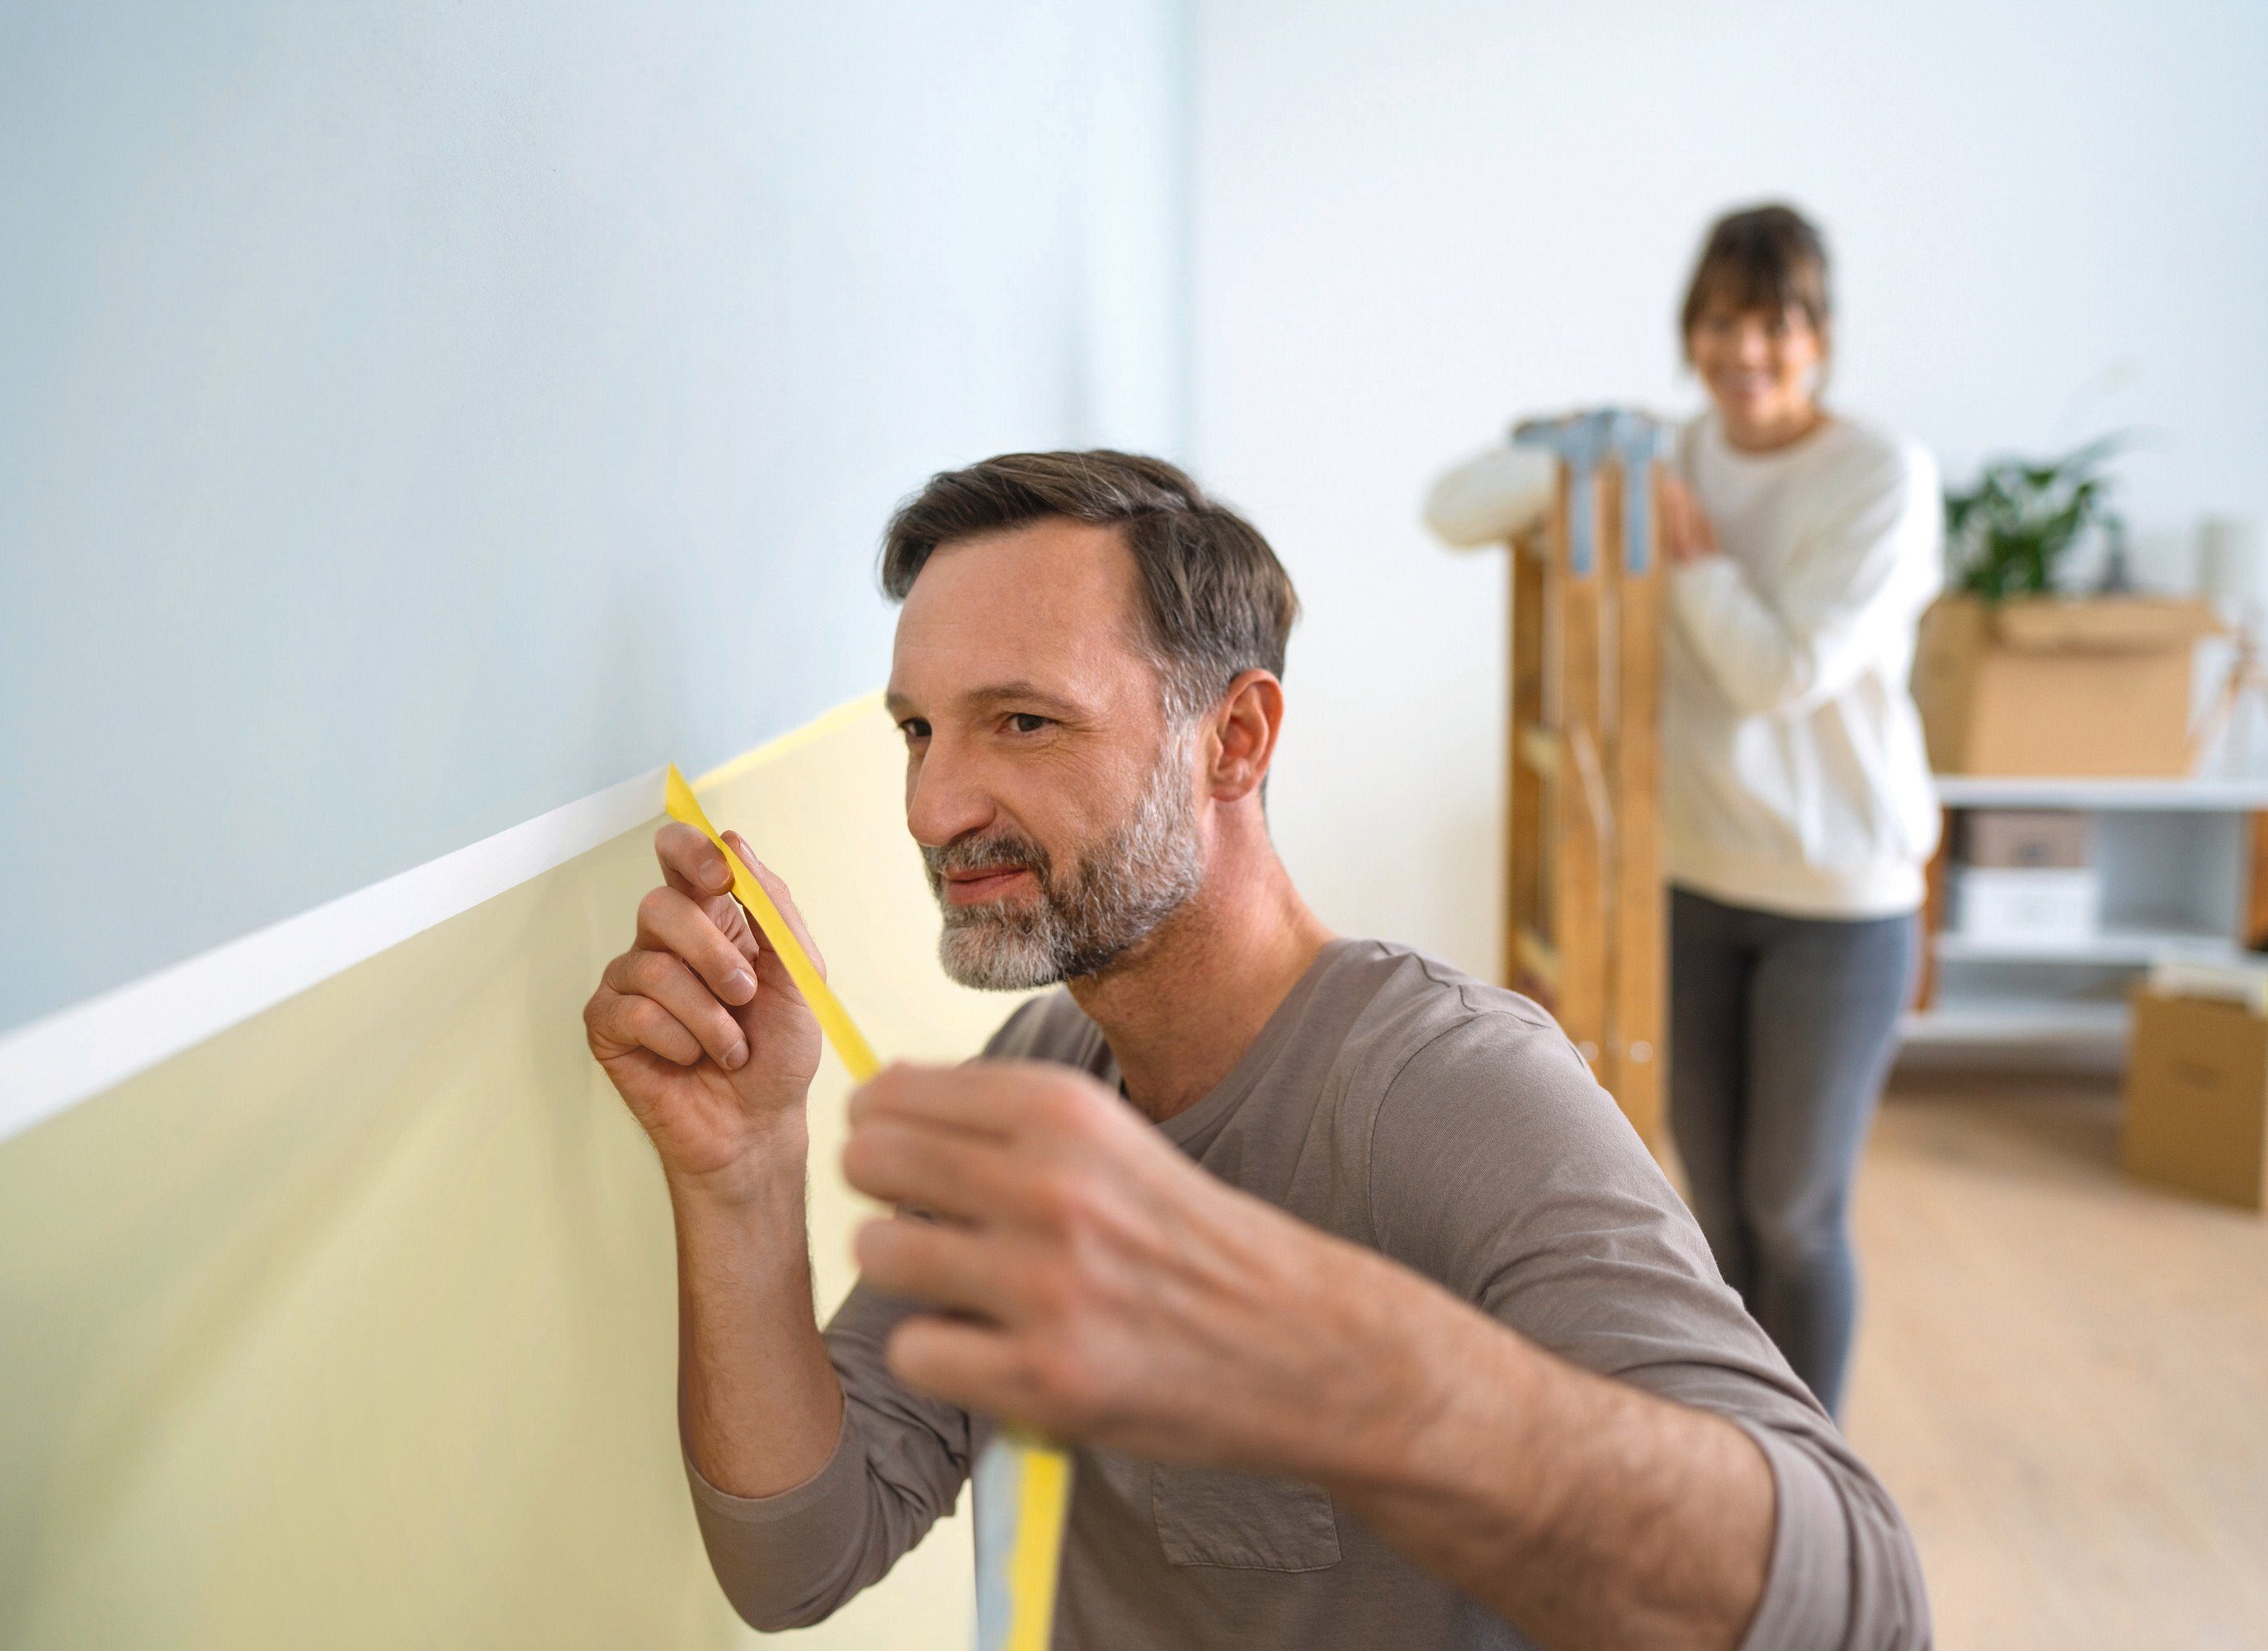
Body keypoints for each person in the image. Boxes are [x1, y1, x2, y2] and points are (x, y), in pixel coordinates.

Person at [583, 451, 1928, 1649]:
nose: (935, 805)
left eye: (1024, 721)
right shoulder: (1035, 1077)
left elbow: (1864, 1606)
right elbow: (798, 1557)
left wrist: (1355, 1376)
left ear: (1233, 740)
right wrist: (742, 1170)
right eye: (919, 729)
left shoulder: (1456, 1093)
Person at [1655, 204, 1943, 1418]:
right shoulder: (1681, 453)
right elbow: (1459, 505)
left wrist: (1697, 565)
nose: (1746, 352)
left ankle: (1808, 1474)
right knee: (1713, 1210)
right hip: (1699, 877)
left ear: (1816, 335)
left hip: (1840, 895)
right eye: (1721, 322)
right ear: (1692, 330)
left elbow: (1780, 674)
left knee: (1796, 1212)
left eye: (1774, 326)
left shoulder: (1881, 474)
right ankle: (1732, 1454)